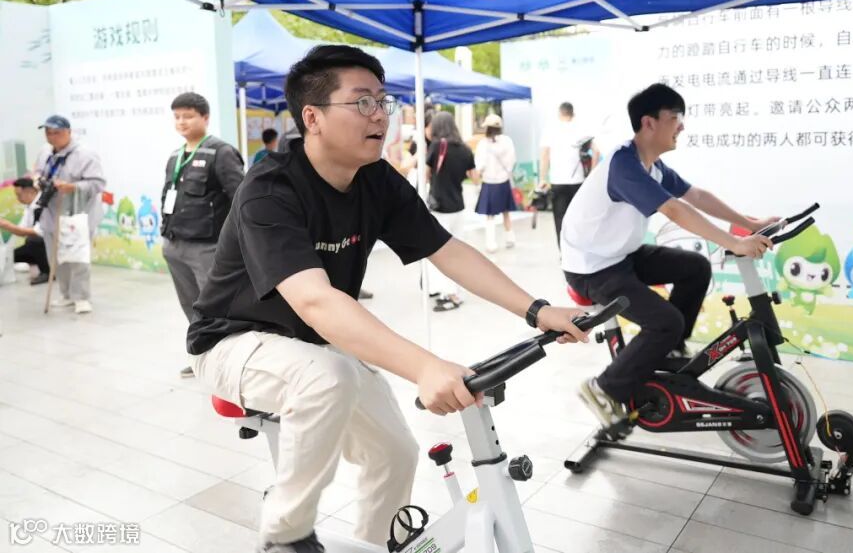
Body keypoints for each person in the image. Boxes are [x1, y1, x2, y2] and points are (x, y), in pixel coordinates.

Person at [186, 45, 588, 552]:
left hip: (317, 343)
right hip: (233, 341)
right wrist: (425, 367)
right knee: (327, 376)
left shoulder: (376, 179)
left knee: (395, 452)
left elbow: (447, 250)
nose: (380, 115)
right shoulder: (269, 189)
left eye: (383, 101)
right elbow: (315, 301)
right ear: (312, 117)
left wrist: (537, 309)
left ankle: (374, 545)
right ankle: (285, 535)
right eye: (362, 102)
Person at [560, 83, 777, 425]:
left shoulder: (652, 165)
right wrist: (734, 243)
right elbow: (674, 210)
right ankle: (603, 388)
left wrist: (750, 224)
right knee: (665, 322)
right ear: (649, 123)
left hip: (621, 256)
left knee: (695, 267)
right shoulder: (624, 165)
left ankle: (669, 351)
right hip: (592, 269)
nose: (682, 126)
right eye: (675, 117)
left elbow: (696, 196)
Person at [161, 92, 245, 379]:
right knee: (190, 305)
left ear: (205, 118)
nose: (181, 122)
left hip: (208, 248)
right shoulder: (175, 156)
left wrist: (236, 245)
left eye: (188, 116)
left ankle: (227, 361)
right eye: (177, 117)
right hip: (174, 244)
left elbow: (240, 199)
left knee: (217, 307)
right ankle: (203, 356)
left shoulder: (221, 152)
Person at [31, 115, 106, 315]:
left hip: (77, 214)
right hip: (51, 213)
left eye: (56, 133)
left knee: (78, 257)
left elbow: (98, 183)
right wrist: (37, 179)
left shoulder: (85, 154)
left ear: (69, 132)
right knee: (56, 257)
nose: (51, 137)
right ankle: (66, 294)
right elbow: (37, 171)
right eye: (48, 133)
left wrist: (73, 186)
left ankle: (81, 297)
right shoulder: (45, 151)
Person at [425, 111, 478, 311]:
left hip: (440, 208)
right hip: (458, 207)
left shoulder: (436, 146)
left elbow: (426, 174)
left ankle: (449, 294)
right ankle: (452, 291)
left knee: (440, 254)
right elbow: (474, 177)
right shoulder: (465, 149)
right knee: (456, 253)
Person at [538, 102, 599, 247]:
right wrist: (591, 174)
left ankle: (564, 252)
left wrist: (542, 178)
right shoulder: (581, 129)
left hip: (557, 181)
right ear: (573, 114)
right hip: (578, 182)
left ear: (560, 113)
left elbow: (545, 155)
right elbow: (596, 151)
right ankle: (579, 249)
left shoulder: (551, 129)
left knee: (560, 218)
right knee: (578, 219)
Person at [473, 113, 517, 253]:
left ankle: (491, 243)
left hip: (489, 182)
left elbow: (480, 165)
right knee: (506, 211)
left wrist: (477, 180)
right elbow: (512, 161)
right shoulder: (507, 141)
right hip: (503, 181)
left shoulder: (483, 144)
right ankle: (510, 238)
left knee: (490, 214)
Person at [0, 177, 50, 284]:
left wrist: (7, 225)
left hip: (50, 243)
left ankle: (47, 272)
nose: (18, 199)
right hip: (37, 245)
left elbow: (38, 232)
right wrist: (6, 226)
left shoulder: (43, 205)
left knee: (34, 240)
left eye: (19, 195)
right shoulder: (29, 208)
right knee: (10, 256)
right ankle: (38, 262)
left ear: (29, 191)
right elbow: (22, 229)